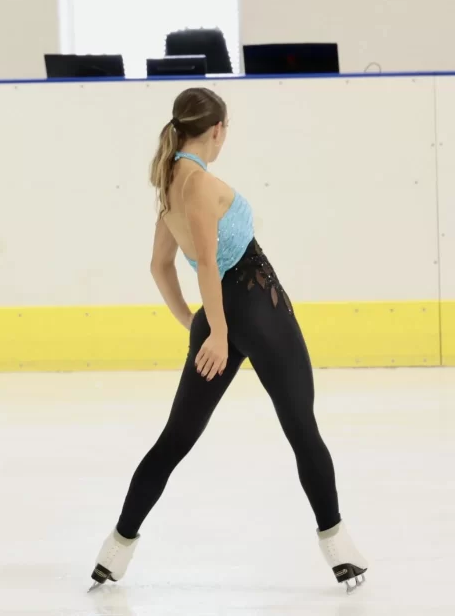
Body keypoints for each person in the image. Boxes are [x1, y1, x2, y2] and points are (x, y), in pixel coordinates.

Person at [89, 87, 368, 592]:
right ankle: (338, 545)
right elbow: (211, 265)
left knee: (175, 440)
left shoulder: (168, 181)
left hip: (219, 316)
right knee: (302, 428)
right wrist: (215, 332)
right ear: (217, 130)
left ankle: (115, 550)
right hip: (260, 311)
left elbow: (160, 264)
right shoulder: (199, 182)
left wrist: (194, 324)